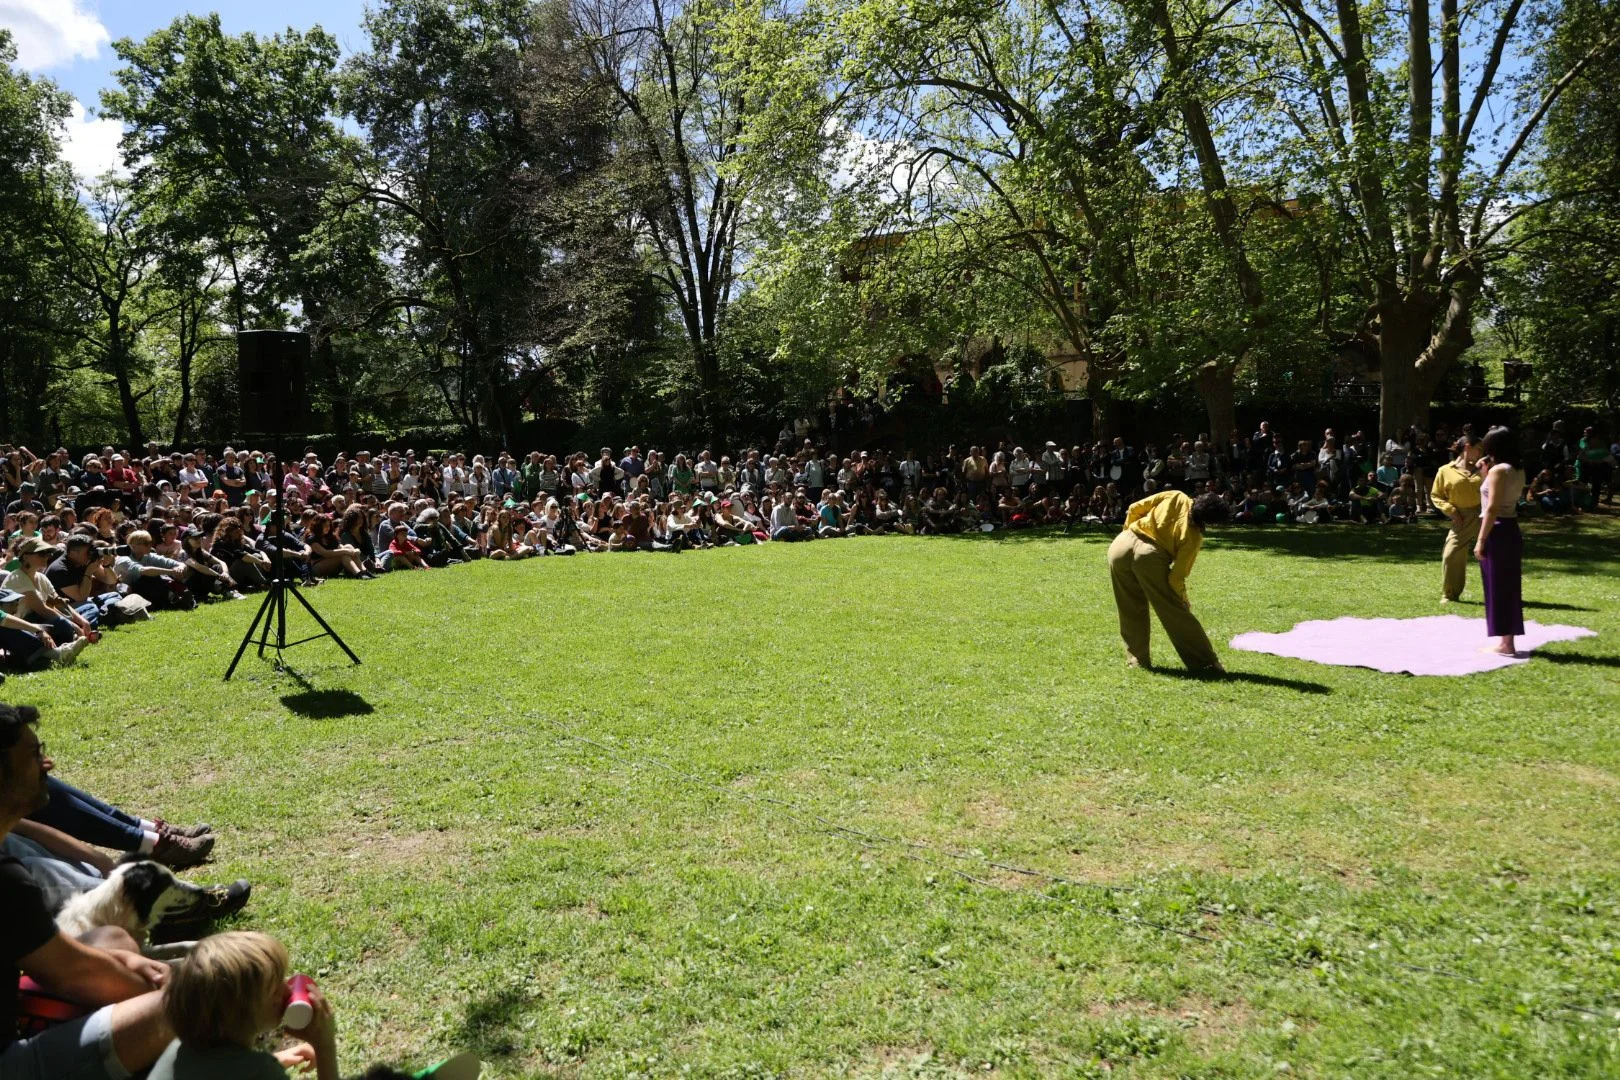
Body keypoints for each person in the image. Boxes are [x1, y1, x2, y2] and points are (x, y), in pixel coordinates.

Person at [1, 703, 178, 1080]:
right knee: (182, 1005)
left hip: (22, 991)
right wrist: (157, 987)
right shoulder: (6, 882)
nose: (47, 763)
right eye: (34, 755)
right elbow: (72, 974)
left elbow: (59, 959)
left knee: (112, 937)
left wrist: (126, 963)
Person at [1106, 489, 1228, 672]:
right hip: (1149, 557)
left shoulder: (1176, 496)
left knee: (1129, 607)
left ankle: (1137, 660)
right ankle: (1206, 664)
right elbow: (1176, 578)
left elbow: (1134, 508)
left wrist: (1127, 534)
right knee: (1175, 612)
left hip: (1119, 546)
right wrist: (1183, 599)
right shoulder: (1193, 537)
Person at [1475, 426, 1526, 656]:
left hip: (1497, 529)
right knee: (1508, 586)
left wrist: (1480, 539)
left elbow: (1493, 507)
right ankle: (1508, 640)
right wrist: (1486, 474)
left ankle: (1506, 644)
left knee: (1498, 587)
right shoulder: (1517, 469)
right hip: (1511, 529)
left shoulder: (1499, 471)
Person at [1430, 435, 1483, 603]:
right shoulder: (1445, 470)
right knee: (1450, 555)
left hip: (1483, 516)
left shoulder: (1483, 468)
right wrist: (1451, 512)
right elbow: (1436, 495)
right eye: (1479, 448)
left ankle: (1500, 595)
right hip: (1461, 517)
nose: (1481, 452)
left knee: (1492, 555)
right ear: (1467, 447)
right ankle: (1450, 594)